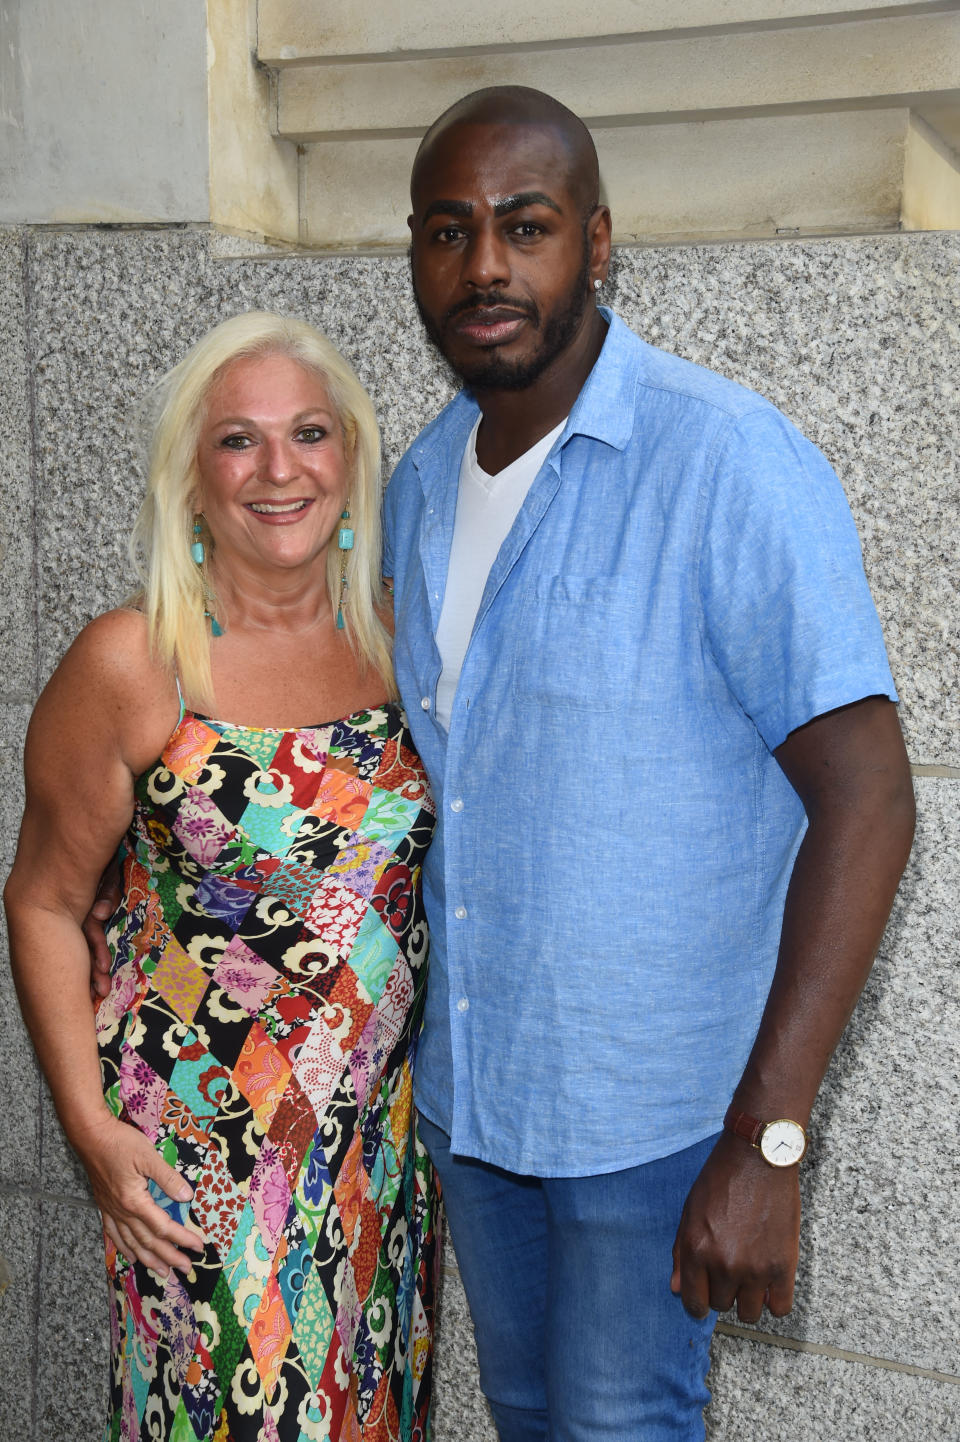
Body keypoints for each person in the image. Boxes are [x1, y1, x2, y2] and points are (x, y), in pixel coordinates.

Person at [379, 87, 915, 1440]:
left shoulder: (724, 458)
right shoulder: (419, 483)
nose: (486, 265)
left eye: (527, 224)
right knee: (528, 1417)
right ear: (416, 260)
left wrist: (767, 1138)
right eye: (451, 232)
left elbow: (869, 797)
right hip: (479, 1100)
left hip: (658, 1121)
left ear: (599, 242)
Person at [4, 313, 440, 1441]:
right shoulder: (132, 662)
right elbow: (45, 899)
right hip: (199, 1165)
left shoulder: (407, 641)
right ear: (191, 479)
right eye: (239, 441)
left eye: (308, 432)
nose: (281, 468)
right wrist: (93, 1131)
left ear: (351, 457)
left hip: (370, 1156)